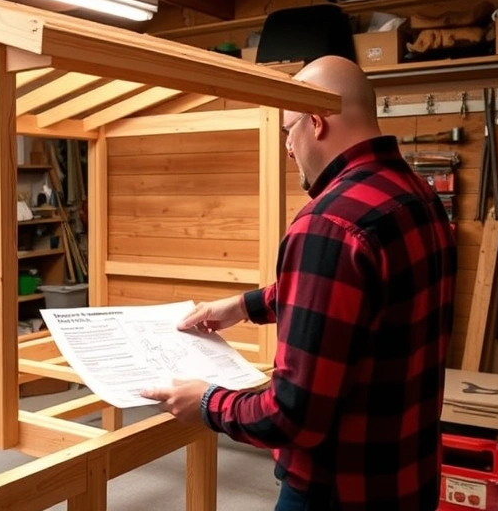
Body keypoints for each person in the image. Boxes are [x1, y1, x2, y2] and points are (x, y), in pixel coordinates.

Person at [141, 55, 457, 511]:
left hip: (338, 492)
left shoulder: (328, 223)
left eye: (289, 131)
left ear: (316, 122)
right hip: (410, 477)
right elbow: (356, 298)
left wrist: (207, 403)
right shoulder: (417, 195)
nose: (289, 148)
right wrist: (244, 305)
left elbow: (292, 415)